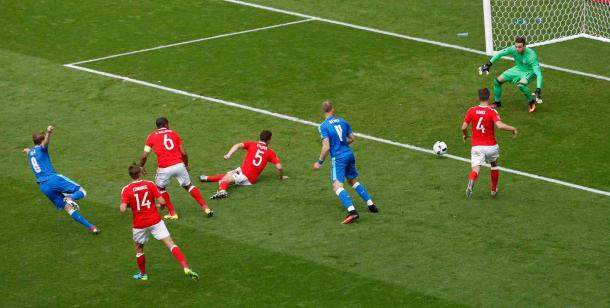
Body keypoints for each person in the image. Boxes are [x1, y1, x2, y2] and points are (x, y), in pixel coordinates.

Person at [120, 165, 199, 281]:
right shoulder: (150, 184)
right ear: (140, 174)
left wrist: (134, 205)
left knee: (139, 249)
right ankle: (185, 266)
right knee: (170, 243)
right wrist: (160, 206)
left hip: (139, 224)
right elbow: (162, 201)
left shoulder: (126, 189)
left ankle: (143, 275)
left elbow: (122, 209)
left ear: (130, 175)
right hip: (155, 221)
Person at [23, 125, 99, 234]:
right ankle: (71, 198)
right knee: (82, 191)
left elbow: (30, 151)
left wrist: (27, 150)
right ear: (41, 140)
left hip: (43, 187)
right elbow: (45, 144)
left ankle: (92, 227)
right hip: (53, 180)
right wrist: (49, 133)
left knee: (68, 208)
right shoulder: (42, 148)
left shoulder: (31, 153)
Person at [313, 101, 378, 224]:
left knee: (337, 186)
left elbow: (326, 147)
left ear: (323, 111)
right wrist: (342, 144)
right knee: (352, 181)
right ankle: (371, 205)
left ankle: (352, 211)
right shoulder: (343, 121)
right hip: (349, 154)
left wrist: (319, 162)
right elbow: (352, 138)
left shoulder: (323, 126)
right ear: (333, 109)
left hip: (339, 158)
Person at [140, 117, 213, 220]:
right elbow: (183, 153)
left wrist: (141, 166)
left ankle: (172, 213)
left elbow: (144, 156)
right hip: (179, 165)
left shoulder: (151, 136)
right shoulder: (174, 133)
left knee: (160, 189)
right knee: (189, 186)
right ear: (166, 124)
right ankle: (206, 208)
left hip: (164, 168)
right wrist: (186, 165)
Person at [462, 88, 518, 198]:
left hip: (477, 147)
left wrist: (465, 134)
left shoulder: (471, 110)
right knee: (494, 164)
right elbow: (500, 126)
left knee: (476, 168)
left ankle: (471, 181)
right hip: (491, 147)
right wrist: (513, 129)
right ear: (489, 97)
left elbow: (463, 127)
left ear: (478, 98)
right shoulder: (492, 111)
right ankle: (493, 190)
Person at [199, 130, 287, 199]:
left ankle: (223, 192)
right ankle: (207, 178)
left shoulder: (252, 144)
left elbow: (237, 145)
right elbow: (279, 167)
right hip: (245, 172)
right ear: (269, 140)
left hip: (246, 176)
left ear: (260, 137)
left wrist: (228, 155)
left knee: (223, 181)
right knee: (228, 174)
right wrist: (281, 177)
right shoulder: (270, 152)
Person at [479, 36, 544, 112]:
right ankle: (497, 102)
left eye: (519, 47)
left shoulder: (531, 55)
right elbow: (500, 53)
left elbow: (538, 73)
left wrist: (538, 88)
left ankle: (531, 102)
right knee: (497, 81)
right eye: (516, 46)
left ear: (524, 46)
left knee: (521, 85)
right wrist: (489, 64)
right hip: (518, 69)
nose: (517, 49)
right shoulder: (513, 49)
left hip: (530, 71)